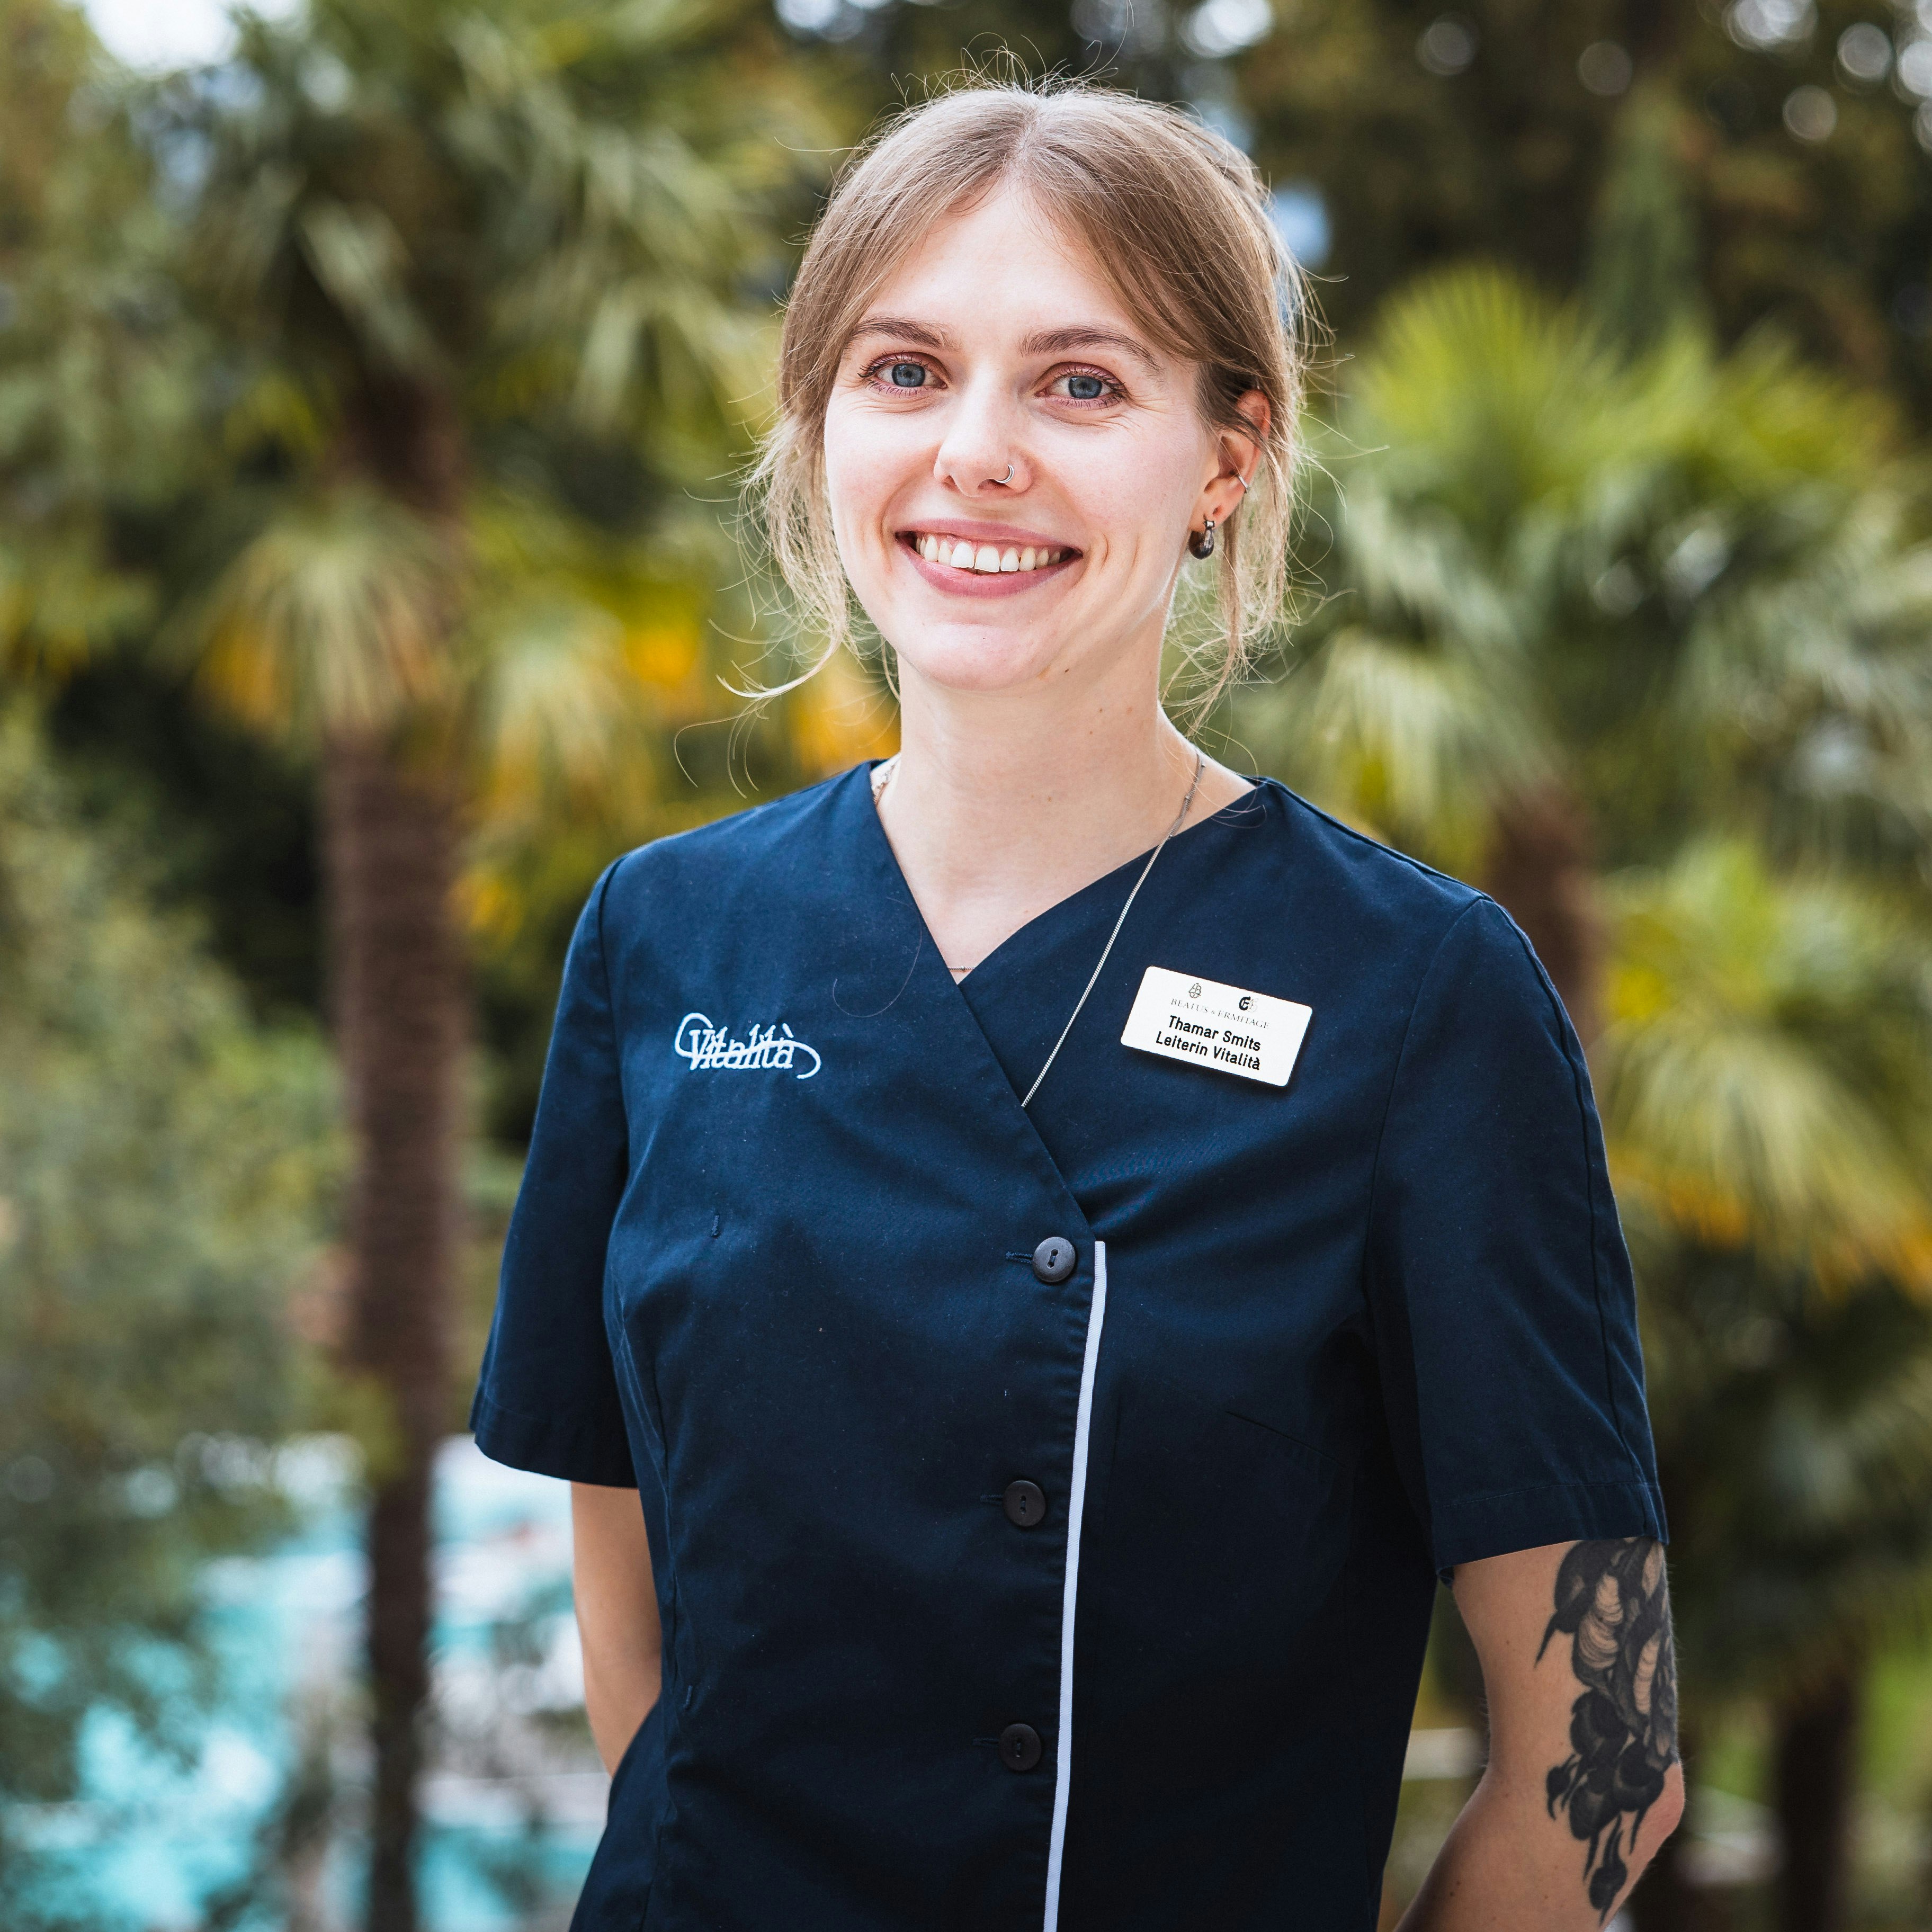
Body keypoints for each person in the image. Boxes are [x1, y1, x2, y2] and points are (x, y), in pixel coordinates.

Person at [470, 82, 1682, 1932]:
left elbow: (1606, 1761)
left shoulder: (1418, 996)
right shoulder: (667, 939)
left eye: (1083, 384)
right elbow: (650, 1664)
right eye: (902, 371)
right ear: (816, 431)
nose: (977, 455)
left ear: (1228, 458)